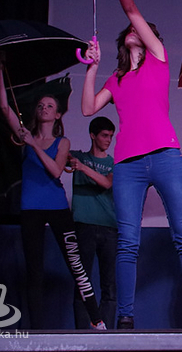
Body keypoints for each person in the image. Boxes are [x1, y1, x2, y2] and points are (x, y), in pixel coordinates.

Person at [81, 0, 182, 330]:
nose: (135, 28)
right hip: (128, 166)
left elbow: (131, 8)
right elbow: (88, 109)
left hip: (166, 157)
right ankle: (125, 316)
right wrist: (92, 67)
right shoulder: (116, 79)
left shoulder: (158, 59)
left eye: (142, 29)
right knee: (127, 243)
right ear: (125, 40)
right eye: (132, 30)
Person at [0, 59, 106, 330]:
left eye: (49, 106)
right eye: (40, 106)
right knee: (34, 271)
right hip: (30, 210)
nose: (44, 108)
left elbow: (57, 171)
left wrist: (34, 144)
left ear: (57, 115)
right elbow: (5, 108)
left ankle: (97, 320)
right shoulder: (25, 136)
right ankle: (36, 330)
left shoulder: (62, 142)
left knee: (76, 266)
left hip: (57, 209)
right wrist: (0, 71)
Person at [69, 116, 117, 329]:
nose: (108, 140)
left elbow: (107, 183)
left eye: (111, 136)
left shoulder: (114, 163)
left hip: (109, 227)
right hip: (83, 225)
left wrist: (82, 168)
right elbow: (56, 156)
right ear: (93, 135)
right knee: (82, 282)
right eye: (104, 135)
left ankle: (106, 333)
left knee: (109, 285)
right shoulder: (77, 156)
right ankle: (81, 333)